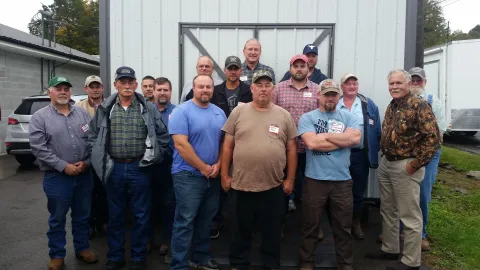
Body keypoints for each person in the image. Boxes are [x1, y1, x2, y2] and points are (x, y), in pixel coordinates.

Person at [88, 66, 171, 270]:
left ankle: (137, 257)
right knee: (115, 215)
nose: (126, 86)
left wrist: (154, 157)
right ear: (116, 84)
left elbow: (162, 135)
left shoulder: (148, 108)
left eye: (130, 82)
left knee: (141, 215)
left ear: (135, 84)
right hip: (113, 167)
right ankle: (115, 257)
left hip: (140, 168)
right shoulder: (106, 108)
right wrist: (99, 156)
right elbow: (92, 136)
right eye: (122, 82)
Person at [222, 70, 298, 270]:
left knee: (272, 232)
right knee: (240, 230)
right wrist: (224, 175)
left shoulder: (284, 115)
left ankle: (271, 264)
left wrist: (290, 179)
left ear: (273, 89)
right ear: (252, 88)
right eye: (259, 85)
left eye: (267, 85)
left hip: (273, 186)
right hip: (241, 185)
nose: (263, 89)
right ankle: (238, 263)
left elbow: (292, 149)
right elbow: (227, 145)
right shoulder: (239, 112)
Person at [366, 69, 441, 270]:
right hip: (387, 163)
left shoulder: (419, 105)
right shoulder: (393, 105)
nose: (394, 87)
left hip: (406, 166)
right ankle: (390, 249)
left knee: (409, 215)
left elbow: (434, 138)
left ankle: (411, 261)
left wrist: (415, 164)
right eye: (391, 83)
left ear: (408, 84)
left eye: (399, 83)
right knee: (388, 209)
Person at [29, 76, 98, 270]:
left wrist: (87, 163)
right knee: (57, 218)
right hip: (57, 178)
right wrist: (63, 166)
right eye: (58, 88)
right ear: (49, 91)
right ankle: (57, 255)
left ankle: (82, 248)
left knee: (82, 216)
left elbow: (94, 141)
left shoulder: (83, 115)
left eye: (66, 89)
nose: (63, 92)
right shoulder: (40, 117)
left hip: (84, 175)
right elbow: (38, 148)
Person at [298, 79, 362, 270]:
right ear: (319, 95)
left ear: (338, 96)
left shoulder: (348, 117)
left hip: (342, 181)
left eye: (334, 94)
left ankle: (345, 264)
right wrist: (343, 140)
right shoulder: (307, 118)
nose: (330, 98)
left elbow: (355, 138)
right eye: (327, 94)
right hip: (314, 180)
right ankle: (306, 262)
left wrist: (324, 135)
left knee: (343, 227)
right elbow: (311, 144)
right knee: (311, 225)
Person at [168, 74, 227, 270]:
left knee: (206, 221)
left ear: (213, 89)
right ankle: (179, 264)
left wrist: (218, 164)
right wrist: (204, 168)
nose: (205, 90)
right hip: (188, 176)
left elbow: (223, 143)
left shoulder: (219, 113)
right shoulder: (181, 111)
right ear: (193, 88)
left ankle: (200, 258)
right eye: (201, 86)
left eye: (208, 87)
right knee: (185, 222)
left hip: (212, 176)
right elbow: (181, 145)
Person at [209, 55, 253, 239]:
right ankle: (216, 220)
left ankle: (244, 222)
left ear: (240, 71)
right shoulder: (216, 90)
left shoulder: (248, 91)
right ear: (225, 71)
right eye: (230, 68)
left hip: (243, 141)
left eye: (236, 68)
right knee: (220, 182)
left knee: (243, 181)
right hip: (219, 141)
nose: (233, 71)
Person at [337, 73, 382, 239]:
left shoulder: (368, 104)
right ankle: (339, 224)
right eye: (348, 83)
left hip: (359, 156)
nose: (352, 86)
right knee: (338, 191)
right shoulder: (335, 103)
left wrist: (372, 150)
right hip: (338, 155)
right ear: (342, 86)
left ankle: (355, 223)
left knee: (358, 191)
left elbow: (377, 131)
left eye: (354, 83)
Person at [274, 54, 319, 213]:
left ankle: (311, 226)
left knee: (312, 188)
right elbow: (271, 115)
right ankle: (280, 223)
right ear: (290, 68)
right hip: (284, 148)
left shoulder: (317, 89)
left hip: (310, 149)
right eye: (296, 66)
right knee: (282, 187)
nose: (299, 69)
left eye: (302, 66)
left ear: (308, 69)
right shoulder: (278, 88)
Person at [408, 67, 446, 251]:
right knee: (404, 193)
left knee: (422, 194)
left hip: (429, 155)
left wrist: (423, 152)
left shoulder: (433, 101)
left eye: (419, 80)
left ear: (425, 82)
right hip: (407, 154)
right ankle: (402, 231)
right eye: (413, 80)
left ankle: (421, 235)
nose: (415, 83)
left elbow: (440, 133)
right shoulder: (401, 101)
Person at [75, 75, 108, 239]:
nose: (95, 89)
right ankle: (89, 224)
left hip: (105, 158)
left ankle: (102, 222)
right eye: (91, 86)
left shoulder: (110, 104)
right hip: (87, 157)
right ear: (85, 88)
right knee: (87, 193)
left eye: (97, 86)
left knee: (104, 192)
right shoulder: (78, 107)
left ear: (102, 87)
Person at [151, 76, 176, 263]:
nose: (162, 93)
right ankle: (148, 239)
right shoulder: (145, 111)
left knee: (169, 205)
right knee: (147, 204)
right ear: (153, 91)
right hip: (147, 166)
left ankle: (167, 240)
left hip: (169, 166)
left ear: (170, 92)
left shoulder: (177, 112)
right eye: (159, 89)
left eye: (165, 90)